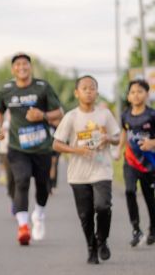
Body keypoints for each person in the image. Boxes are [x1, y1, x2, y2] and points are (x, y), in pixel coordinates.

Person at [0, 53, 63, 245]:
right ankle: (23, 226)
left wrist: (42, 115)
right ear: (13, 69)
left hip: (42, 147)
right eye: (17, 64)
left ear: (30, 67)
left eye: (25, 64)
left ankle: (39, 215)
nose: (22, 67)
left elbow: (59, 112)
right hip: (17, 147)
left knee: (43, 185)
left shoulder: (42, 87)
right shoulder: (6, 90)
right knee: (22, 181)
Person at [53, 75, 120, 264]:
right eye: (85, 88)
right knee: (86, 214)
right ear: (77, 93)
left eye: (92, 88)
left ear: (97, 92)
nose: (89, 91)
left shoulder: (105, 115)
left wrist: (108, 139)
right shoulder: (71, 117)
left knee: (103, 206)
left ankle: (102, 240)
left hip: (102, 169)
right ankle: (91, 248)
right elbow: (56, 144)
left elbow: (117, 138)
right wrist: (77, 150)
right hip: (78, 174)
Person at [115, 79, 155, 246]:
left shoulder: (152, 115)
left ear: (147, 94)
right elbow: (124, 132)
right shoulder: (125, 115)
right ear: (128, 96)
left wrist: (152, 143)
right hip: (130, 161)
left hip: (149, 163)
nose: (136, 95)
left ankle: (153, 228)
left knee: (149, 197)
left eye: (140, 91)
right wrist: (118, 149)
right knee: (130, 191)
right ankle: (136, 229)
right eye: (132, 92)